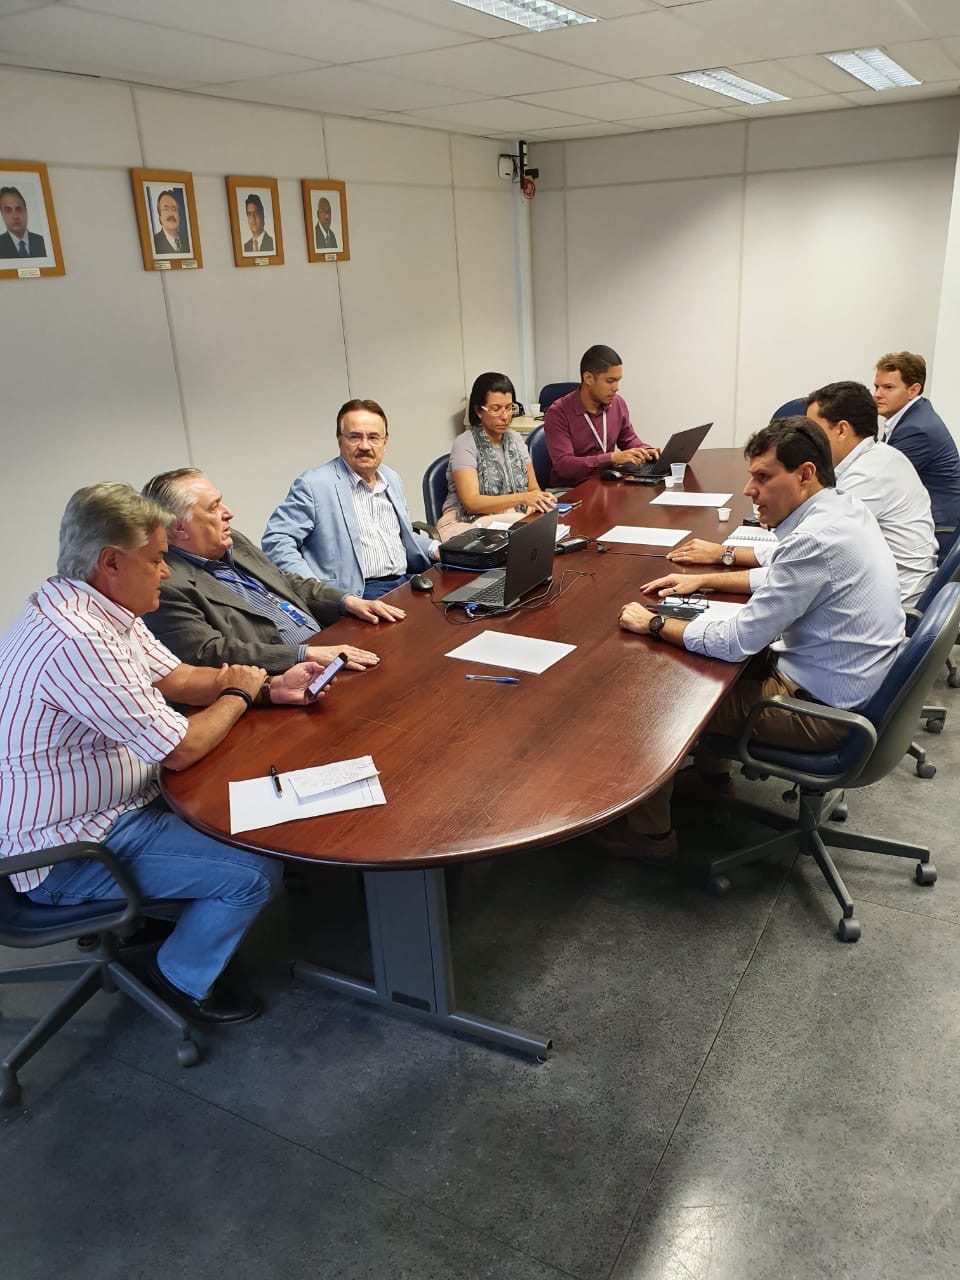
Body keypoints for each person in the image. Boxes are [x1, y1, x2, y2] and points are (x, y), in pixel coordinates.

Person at [0, 483, 333, 1025]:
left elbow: (178, 678)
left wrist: (270, 687)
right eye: (156, 559)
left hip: (115, 803)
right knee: (254, 871)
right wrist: (240, 693)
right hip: (69, 851)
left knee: (250, 803)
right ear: (111, 562)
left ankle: (171, 924)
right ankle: (177, 978)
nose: (165, 570)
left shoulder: (97, 607)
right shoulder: (79, 639)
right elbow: (180, 749)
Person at [605, 417, 904, 862]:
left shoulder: (815, 540)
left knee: (658, 697)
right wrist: (706, 579)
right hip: (853, 687)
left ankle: (650, 837)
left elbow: (735, 641)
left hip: (819, 714)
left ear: (804, 474)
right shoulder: (842, 511)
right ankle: (712, 779)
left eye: (763, 477)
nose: (749, 489)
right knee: (713, 662)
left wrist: (653, 624)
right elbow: (788, 574)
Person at [669, 381, 937, 607]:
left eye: (813, 429)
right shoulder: (875, 458)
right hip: (883, 591)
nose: (805, 438)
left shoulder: (868, 476)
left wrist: (722, 557)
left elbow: (798, 560)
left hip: (891, 602)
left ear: (841, 430)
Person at [141, 468, 395, 671]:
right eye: (213, 508)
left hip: (325, 645)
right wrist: (303, 654)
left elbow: (284, 581)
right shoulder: (167, 586)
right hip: (284, 678)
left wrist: (345, 601)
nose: (228, 513)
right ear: (179, 528)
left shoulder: (233, 541)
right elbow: (211, 653)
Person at [261, 399, 438, 600]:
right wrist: (316, 590)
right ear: (340, 440)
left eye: (373, 437)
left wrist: (439, 550)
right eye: (354, 437)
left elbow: (402, 537)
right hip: (360, 592)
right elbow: (276, 540)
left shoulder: (391, 478)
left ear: (385, 442)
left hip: (407, 580)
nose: (365, 446)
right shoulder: (314, 485)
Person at [436, 371, 556, 539]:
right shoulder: (465, 443)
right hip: (464, 522)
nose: (505, 416)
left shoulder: (515, 439)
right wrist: (522, 498)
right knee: (525, 527)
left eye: (509, 408)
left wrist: (534, 503)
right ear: (478, 410)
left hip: (508, 515)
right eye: (496, 409)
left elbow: (533, 489)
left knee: (549, 519)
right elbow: (472, 503)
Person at [874, 351, 960, 542]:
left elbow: (880, 481)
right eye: (877, 386)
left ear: (913, 390)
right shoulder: (911, 417)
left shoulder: (916, 429)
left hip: (939, 530)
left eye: (888, 387)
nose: (877, 394)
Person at [543, 344, 659, 486]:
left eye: (618, 381)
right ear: (588, 378)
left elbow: (629, 440)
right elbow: (564, 466)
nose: (616, 388)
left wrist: (647, 452)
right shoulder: (558, 412)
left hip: (607, 482)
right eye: (610, 381)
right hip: (571, 489)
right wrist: (611, 458)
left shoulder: (617, 403)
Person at [0, 186, 47, 257]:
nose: (15, 216)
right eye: (8, 210)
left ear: (26, 212)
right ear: (2, 215)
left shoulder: (43, 242)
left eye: (18, 209)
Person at [153, 189, 189, 255]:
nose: (171, 214)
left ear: (179, 215)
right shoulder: (153, 243)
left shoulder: (188, 241)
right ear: (160, 217)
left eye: (174, 209)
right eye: (166, 209)